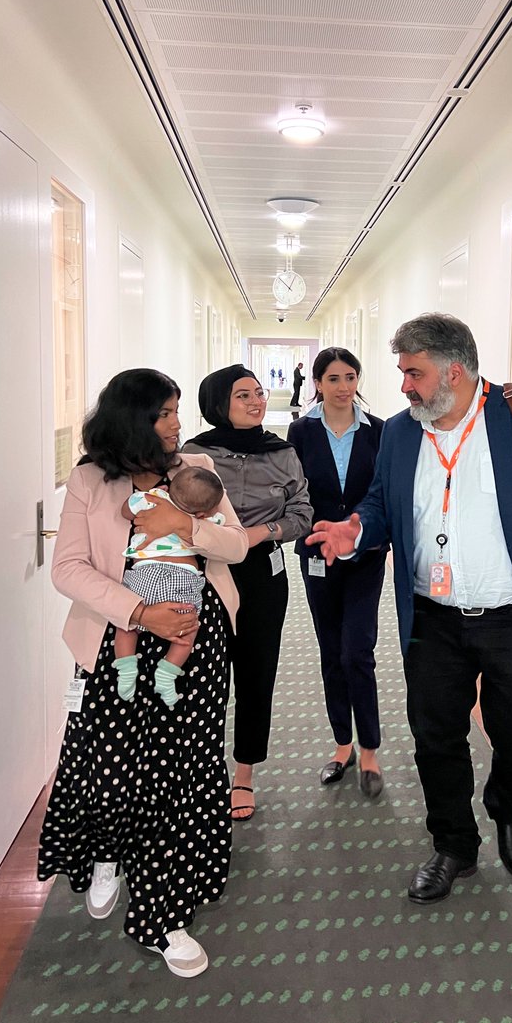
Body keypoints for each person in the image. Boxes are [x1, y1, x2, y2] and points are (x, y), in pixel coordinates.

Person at [307, 314, 512, 904]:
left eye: (413, 373)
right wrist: (357, 529)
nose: (404, 386)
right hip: (432, 617)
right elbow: (382, 504)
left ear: (455, 370)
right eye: (402, 373)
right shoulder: (399, 433)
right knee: (435, 734)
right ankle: (453, 844)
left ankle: (509, 805)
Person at [38, 369, 248, 978]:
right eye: (164, 414)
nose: (177, 424)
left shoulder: (196, 466)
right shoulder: (90, 479)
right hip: (116, 639)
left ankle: (162, 915)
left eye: (177, 411)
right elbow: (69, 568)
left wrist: (186, 527)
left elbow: (234, 546)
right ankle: (107, 850)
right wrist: (138, 611)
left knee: (177, 772)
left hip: (192, 637)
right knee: (108, 763)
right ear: (132, 419)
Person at [183, 365, 313, 821]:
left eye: (259, 394)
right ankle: (200, 770)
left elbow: (302, 512)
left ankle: (244, 774)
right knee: (203, 676)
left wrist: (260, 534)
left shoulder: (282, 452)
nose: (257, 402)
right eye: (244, 396)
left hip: (262, 572)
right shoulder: (194, 454)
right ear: (220, 403)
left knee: (257, 672)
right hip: (204, 573)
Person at [287, 348, 387, 798]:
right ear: (318, 383)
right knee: (331, 649)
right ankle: (342, 744)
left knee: (357, 651)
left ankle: (370, 749)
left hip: (366, 555)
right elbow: (294, 492)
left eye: (350, 376)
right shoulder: (300, 432)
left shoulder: (379, 432)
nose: (344, 387)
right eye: (333, 378)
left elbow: (382, 494)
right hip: (316, 555)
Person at [114, 465, 225, 708]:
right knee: (188, 628)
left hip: (144, 574)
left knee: (127, 624)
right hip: (181, 579)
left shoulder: (152, 498)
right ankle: (167, 674)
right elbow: (221, 533)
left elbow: (126, 511)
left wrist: (150, 495)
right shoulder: (202, 518)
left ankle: (126, 668)